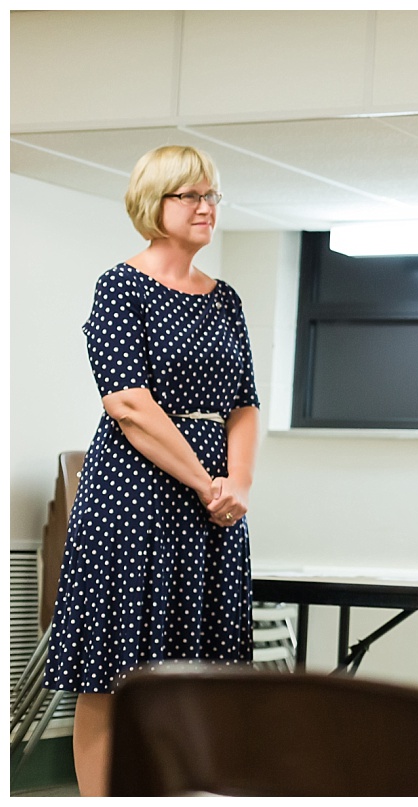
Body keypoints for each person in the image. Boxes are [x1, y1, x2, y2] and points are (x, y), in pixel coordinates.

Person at [43, 145, 260, 796]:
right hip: (133, 496)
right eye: (190, 195)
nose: (206, 208)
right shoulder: (121, 286)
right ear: (152, 203)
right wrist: (205, 480)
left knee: (201, 673)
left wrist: (238, 486)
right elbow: (129, 405)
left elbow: (244, 404)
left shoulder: (226, 300)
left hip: (217, 505)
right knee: (111, 673)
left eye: (212, 196)